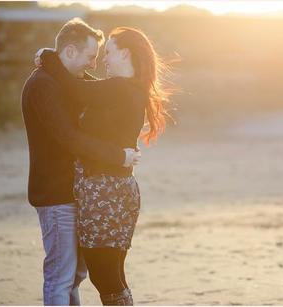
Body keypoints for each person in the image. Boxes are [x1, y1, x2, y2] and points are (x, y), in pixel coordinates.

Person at [37, 26, 173, 305]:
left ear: (124, 53)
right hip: (120, 190)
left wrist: (48, 57)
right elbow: (91, 89)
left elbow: (75, 88)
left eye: (108, 52)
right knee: (112, 275)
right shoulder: (129, 89)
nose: (104, 60)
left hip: (104, 193)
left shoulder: (118, 88)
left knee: (105, 276)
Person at [21, 18, 140, 306]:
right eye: (90, 57)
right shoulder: (42, 85)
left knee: (74, 276)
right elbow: (69, 137)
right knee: (61, 277)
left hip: (79, 194)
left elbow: (99, 92)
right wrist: (119, 155)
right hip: (55, 195)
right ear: (71, 52)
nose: (93, 64)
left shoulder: (68, 81)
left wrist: (49, 57)